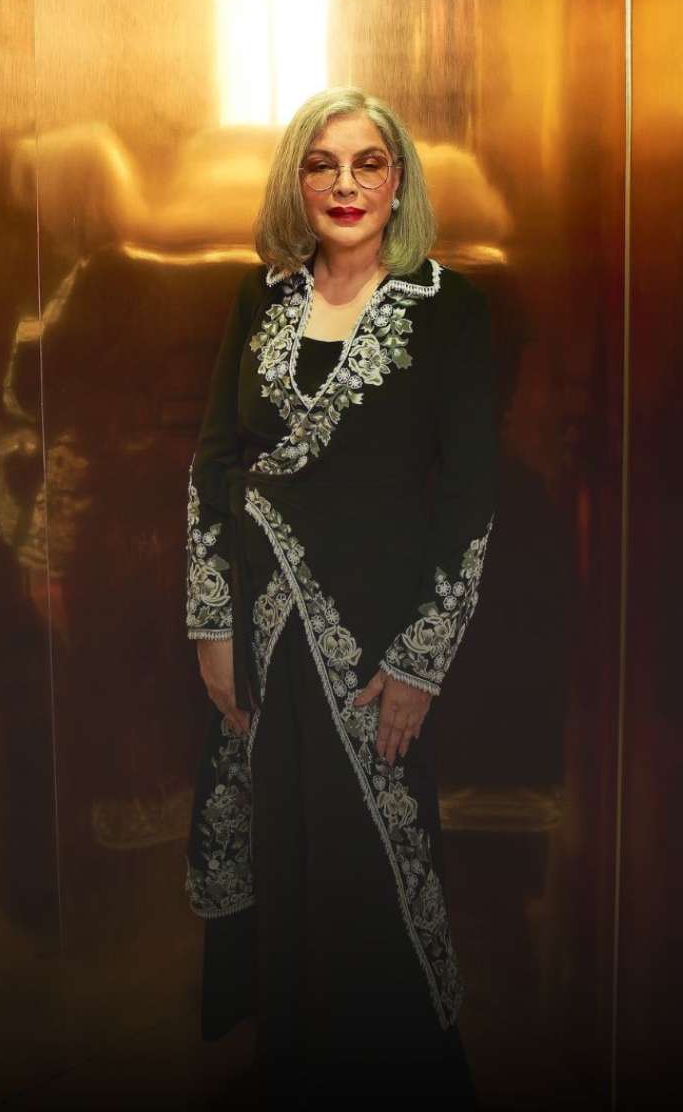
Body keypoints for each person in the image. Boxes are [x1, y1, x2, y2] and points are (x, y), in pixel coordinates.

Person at [185, 86, 499, 1106]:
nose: (346, 184)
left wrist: (420, 662)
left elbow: (468, 497)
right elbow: (215, 464)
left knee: (373, 875)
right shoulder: (262, 299)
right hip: (264, 641)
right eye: (322, 164)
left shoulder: (447, 308)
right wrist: (212, 625)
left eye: (368, 163)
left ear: (398, 180)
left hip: (375, 651)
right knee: (285, 862)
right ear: (298, 182)